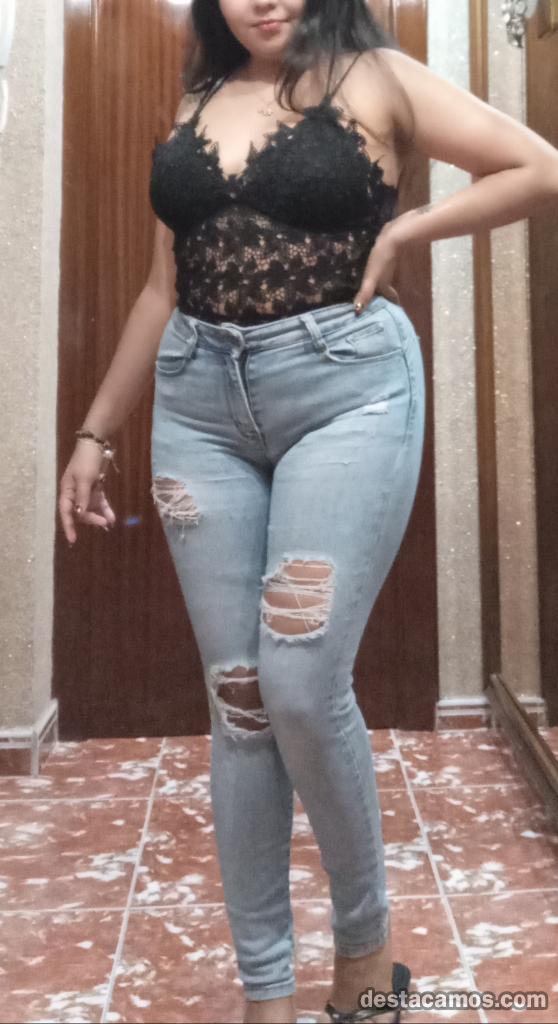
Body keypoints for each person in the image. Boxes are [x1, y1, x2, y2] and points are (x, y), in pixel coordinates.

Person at [58, 1, 558, 1022]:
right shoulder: (198, 97)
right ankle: (266, 991)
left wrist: (409, 225)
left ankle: (366, 957)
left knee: (297, 681)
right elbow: (161, 285)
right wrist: (96, 431)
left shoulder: (377, 76)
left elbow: (537, 165)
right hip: (199, 406)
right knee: (239, 697)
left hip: (347, 391)